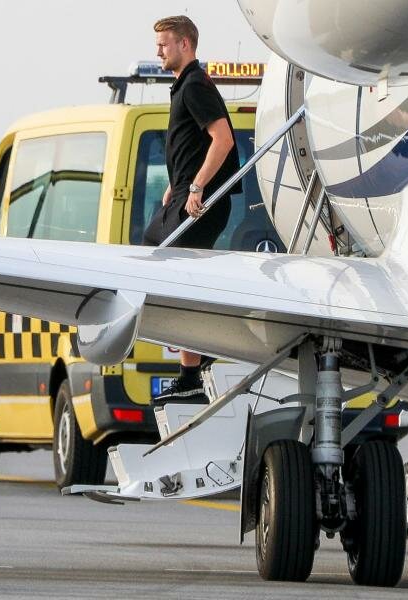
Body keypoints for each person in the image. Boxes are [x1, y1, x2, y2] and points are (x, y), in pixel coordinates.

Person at [144, 15, 241, 406]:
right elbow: (191, 144)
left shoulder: (195, 86)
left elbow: (223, 139)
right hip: (184, 193)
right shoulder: (185, 86)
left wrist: (197, 185)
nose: (158, 50)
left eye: (164, 44)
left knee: (174, 276)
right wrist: (175, 183)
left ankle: (194, 371)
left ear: (185, 44)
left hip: (201, 201)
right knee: (155, 249)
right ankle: (196, 365)